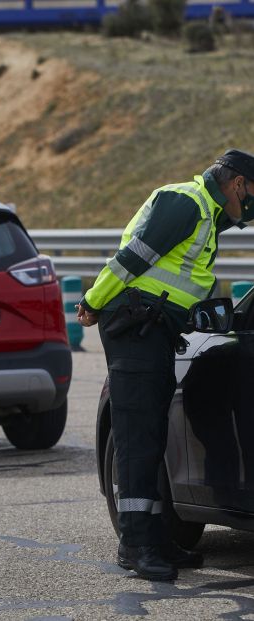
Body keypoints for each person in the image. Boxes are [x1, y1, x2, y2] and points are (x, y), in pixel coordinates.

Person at [77, 149, 254, 581]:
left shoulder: (208, 215)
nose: (250, 207)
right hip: (135, 324)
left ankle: (156, 539)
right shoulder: (186, 202)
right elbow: (132, 258)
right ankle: (136, 546)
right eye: (253, 194)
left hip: (153, 328)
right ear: (236, 184)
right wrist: (92, 302)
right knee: (137, 437)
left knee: (153, 436)